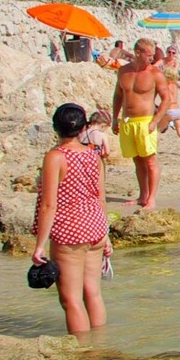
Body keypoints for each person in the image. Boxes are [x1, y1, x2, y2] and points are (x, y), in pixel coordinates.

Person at [31, 104, 111, 338]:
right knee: (93, 293)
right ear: (83, 128)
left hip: (70, 230)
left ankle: (84, 353)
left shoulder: (55, 157)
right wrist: (106, 235)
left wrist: (39, 245)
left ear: (55, 128)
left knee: (71, 300)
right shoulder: (93, 155)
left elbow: (49, 205)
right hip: (95, 226)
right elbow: (101, 198)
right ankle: (100, 346)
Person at [112, 40, 173, 208]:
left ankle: (151, 198)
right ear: (138, 53)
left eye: (153, 56)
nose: (152, 59)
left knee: (150, 161)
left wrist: (155, 121)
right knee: (137, 161)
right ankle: (142, 196)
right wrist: (114, 118)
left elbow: (167, 99)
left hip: (146, 122)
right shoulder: (123, 71)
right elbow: (118, 96)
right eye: (149, 55)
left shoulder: (155, 74)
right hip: (127, 121)